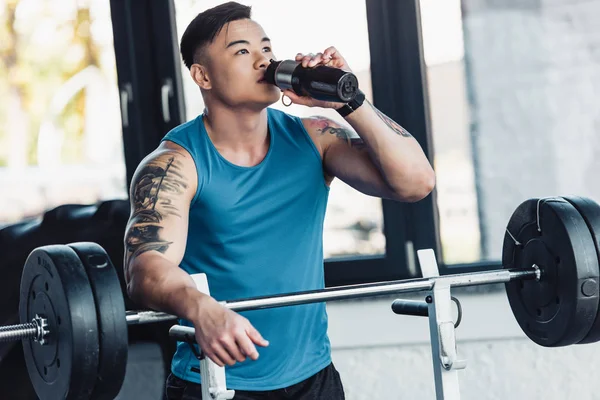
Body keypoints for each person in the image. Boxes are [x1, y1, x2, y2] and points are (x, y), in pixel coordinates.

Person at [123, 2, 435, 399]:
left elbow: (417, 183)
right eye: (242, 51)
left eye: (267, 49)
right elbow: (145, 267)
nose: (263, 61)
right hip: (215, 382)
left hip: (314, 379)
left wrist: (349, 100)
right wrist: (201, 308)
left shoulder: (315, 137)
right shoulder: (175, 164)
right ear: (202, 75)